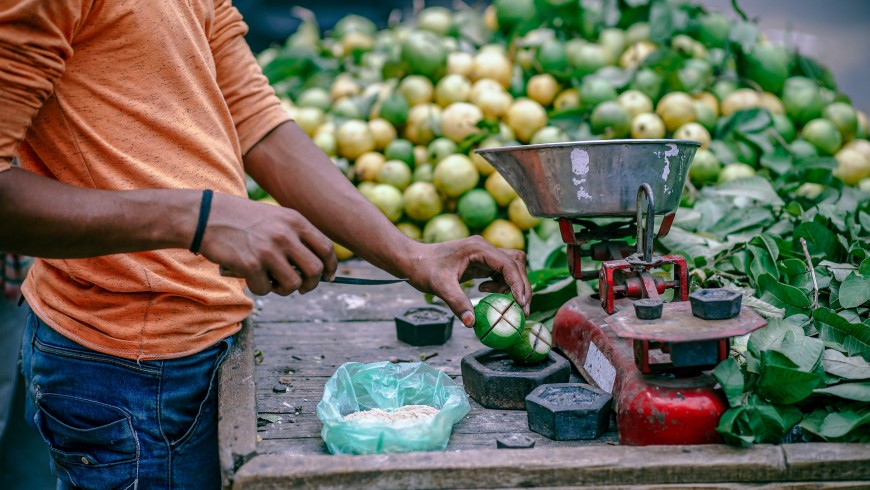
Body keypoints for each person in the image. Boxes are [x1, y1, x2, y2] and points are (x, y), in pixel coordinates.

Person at [0, 1, 530, 488]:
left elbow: (253, 118)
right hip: (126, 369)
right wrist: (200, 217)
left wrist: (410, 254)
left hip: (209, 343)